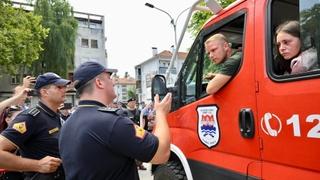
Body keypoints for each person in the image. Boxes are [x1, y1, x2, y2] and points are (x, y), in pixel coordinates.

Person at [59, 61, 172, 180]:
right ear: (99, 82)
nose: (113, 82)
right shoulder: (111, 122)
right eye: (109, 78)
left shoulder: (67, 125)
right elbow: (161, 153)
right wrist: (161, 113)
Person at [0, 72, 70, 180]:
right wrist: (37, 165)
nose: (64, 90)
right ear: (44, 92)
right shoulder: (30, 118)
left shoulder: (55, 116)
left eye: (64, 87)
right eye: (59, 87)